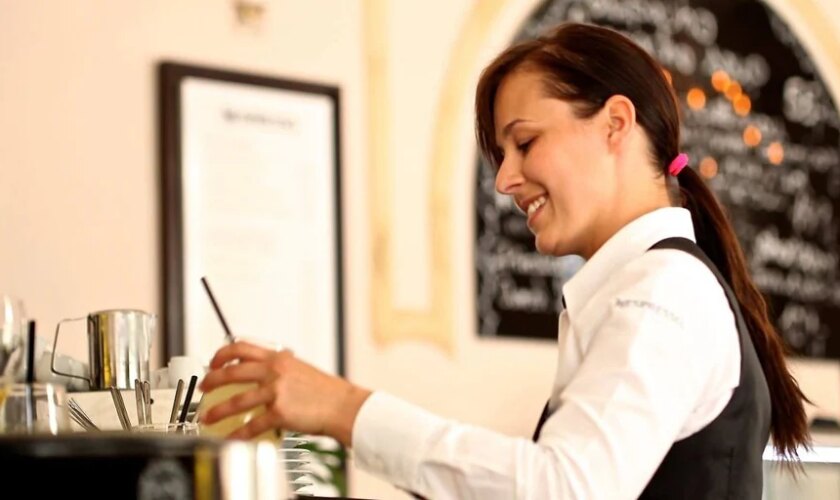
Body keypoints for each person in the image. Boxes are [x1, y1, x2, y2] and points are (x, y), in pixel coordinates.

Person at [199, 22, 811, 499]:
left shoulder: (664, 290)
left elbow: (562, 487)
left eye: (524, 142)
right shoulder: (650, 286)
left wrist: (341, 408)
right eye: (501, 155)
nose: (505, 181)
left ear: (615, 124)